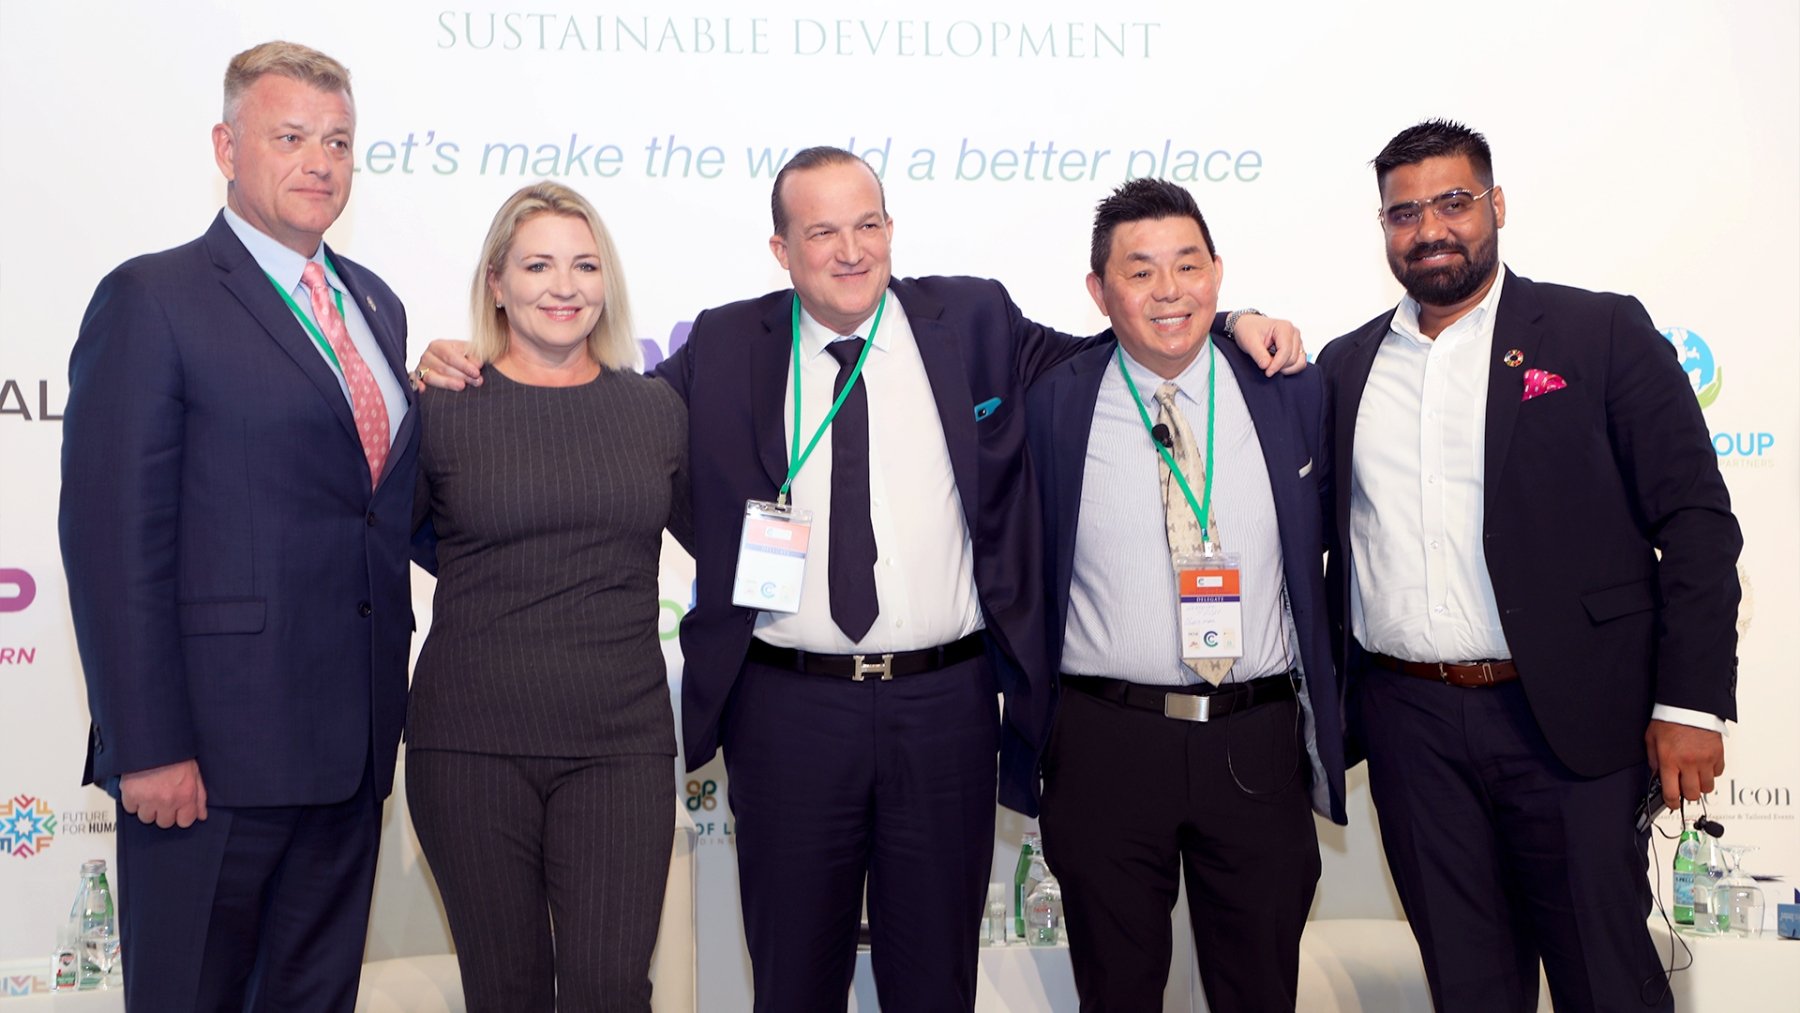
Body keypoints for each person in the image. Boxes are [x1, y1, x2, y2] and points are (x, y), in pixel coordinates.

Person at [417, 146, 1303, 1011]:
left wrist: (1233, 321)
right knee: (795, 980)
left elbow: (1120, 341)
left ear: (890, 229)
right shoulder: (727, 342)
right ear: (781, 250)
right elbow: (591, 412)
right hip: (787, 712)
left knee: (935, 981)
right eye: (823, 232)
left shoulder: (973, 320)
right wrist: (473, 366)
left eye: (868, 225)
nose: (851, 250)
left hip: (944, 707)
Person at [1317, 119, 1740, 1013]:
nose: (1431, 228)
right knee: (1467, 987)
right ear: (1383, 227)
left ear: (1497, 205)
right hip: (1410, 727)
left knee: (1607, 980)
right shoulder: (1347, 366)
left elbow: (1697, 522)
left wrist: (1690, 703)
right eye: (1404, 212)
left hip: (1570, 721)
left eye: (1453, 202)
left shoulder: (1599, 331)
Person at [58, 41, 415, 1009]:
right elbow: (113, 543)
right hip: (209, 763)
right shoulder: (154, 297)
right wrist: (147, 743)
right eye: (290, 137)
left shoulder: (376, 304)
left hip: (349, 754)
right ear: (226, 147)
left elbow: (373, 505)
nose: (320, 162)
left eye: (337, 141)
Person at [1025, 178, 1345, 1011]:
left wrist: (1243, 320)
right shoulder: (1054, 400)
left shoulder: (1291, 388)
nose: (1169, 290)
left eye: (1188, 265)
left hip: (1255, 738)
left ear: (1218, 273)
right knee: (1117, 991)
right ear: (1099, 291)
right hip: (1107, 742)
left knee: (1260, 989)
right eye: (1140, 272)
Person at [405, 181, 689, 1012]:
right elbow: (398, 538)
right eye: (538, 266)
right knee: (507, 991)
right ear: (496, 282)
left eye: (584, 265)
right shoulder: (442, 408)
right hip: (470, 748)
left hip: (620, 746)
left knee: (610, 989)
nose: (564, 286)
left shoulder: (656, 410)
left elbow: (731, 537)